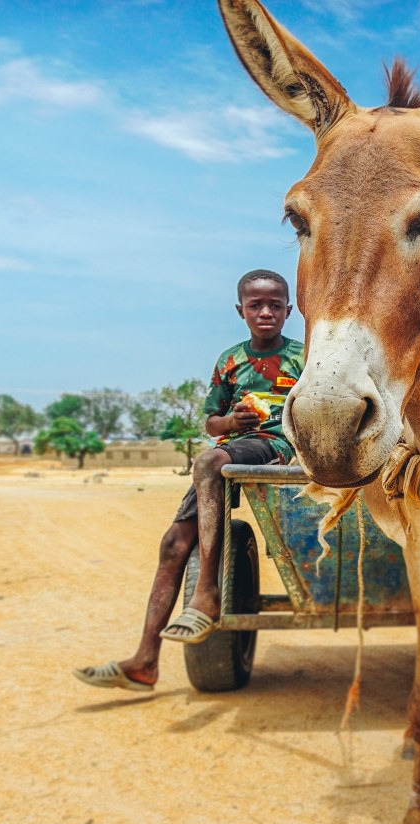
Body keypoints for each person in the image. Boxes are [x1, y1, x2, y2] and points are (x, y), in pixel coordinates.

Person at [73, 269, 304, 691]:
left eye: (275, 305)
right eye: (256, 305)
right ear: (241, 311)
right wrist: (231, 419)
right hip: (230, 450)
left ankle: (207, 595)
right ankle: (144, 662)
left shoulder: (304, 358)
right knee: (173, 544)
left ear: (290, 310)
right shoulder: (230, 361)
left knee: (208, 459)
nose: (266, 312)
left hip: (276, 445)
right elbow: (212, 419)